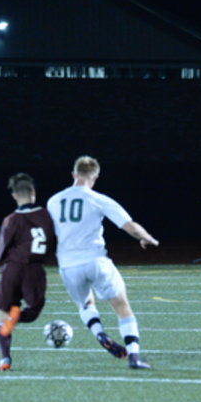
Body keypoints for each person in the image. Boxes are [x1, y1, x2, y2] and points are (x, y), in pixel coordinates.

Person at [47, 155, 159, 369]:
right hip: (96, 261)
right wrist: (148, 238)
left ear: (73, 174)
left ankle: (99, 334)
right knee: (122, 306)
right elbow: (130, 226)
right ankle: (134, 356)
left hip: (68, 265)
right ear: (95, 177)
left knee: (85, 304)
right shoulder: (98, 199)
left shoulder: (53, 201)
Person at [0, 172, 56, 371]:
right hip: (35, 269)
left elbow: (1, 252)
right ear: (33, 192)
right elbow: (53, 241)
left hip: (13, 268)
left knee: (3, 312)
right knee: (33, 310)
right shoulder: (47, 216)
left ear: (14, 195)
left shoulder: (11, 219)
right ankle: (16, 317)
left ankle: (5, 358)